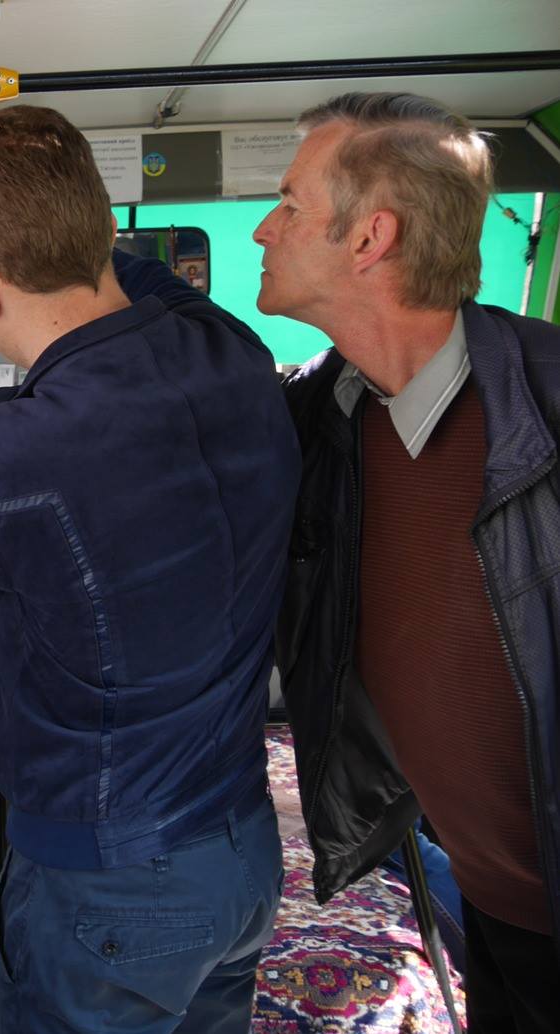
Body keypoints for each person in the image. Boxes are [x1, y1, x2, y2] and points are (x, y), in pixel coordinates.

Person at [0, 105, 301, 1033]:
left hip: (106, 881)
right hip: (238, 847)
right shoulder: (226, 348)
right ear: (97, 229)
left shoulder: (10, 455)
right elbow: (113, 311)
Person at [257, 92, 560, 1031]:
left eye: (290, 204)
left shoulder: (545, 411)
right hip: (494, 899)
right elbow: (137, 424)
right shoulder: (329, 415)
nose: (265, 228)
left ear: (370, 237)